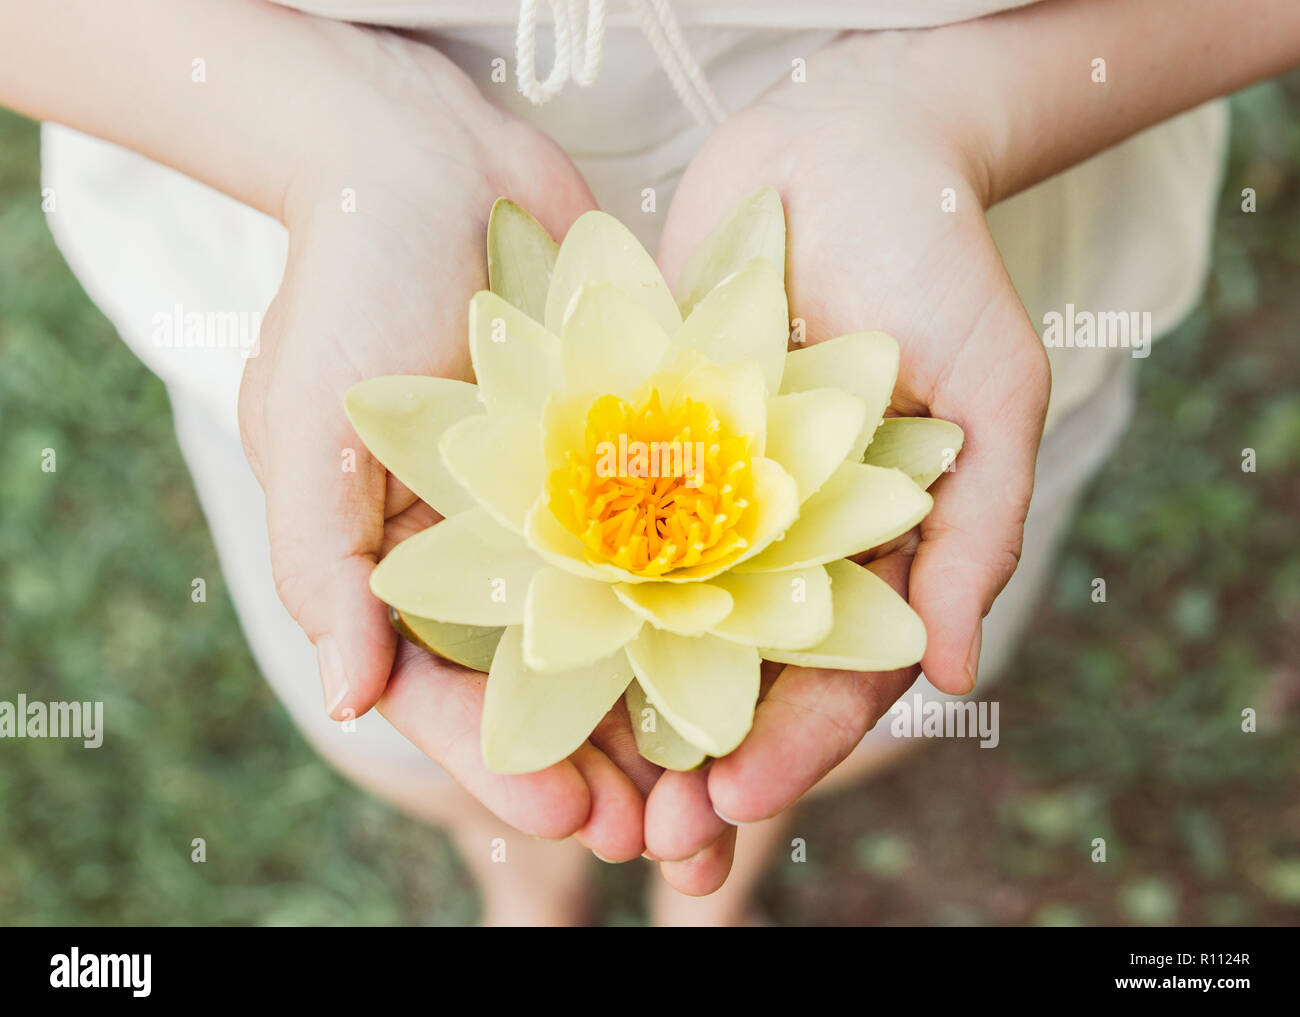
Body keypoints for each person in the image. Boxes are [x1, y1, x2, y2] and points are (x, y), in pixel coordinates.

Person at [3, 0, 1297, 925]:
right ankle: (520, 874)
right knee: (427, 736)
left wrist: (963, 114)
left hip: (947, 291)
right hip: (331, 290)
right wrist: (326, 140)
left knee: (838, 720)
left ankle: (717, 878)